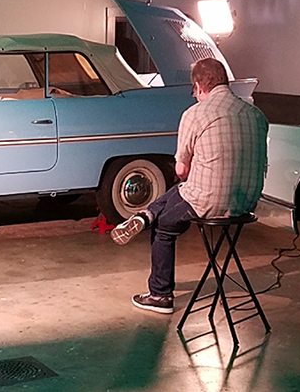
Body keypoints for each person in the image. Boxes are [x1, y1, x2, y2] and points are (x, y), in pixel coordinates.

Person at [110, 58, 268, 314]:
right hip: (247, 203)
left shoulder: (195, 114)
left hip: (210, 202)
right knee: (183, 190)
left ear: (198, 86)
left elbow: (181, 170)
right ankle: (146, 215)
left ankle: (160, 294)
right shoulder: (256, 115)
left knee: (164, 226)